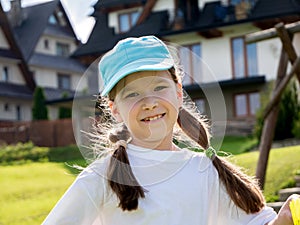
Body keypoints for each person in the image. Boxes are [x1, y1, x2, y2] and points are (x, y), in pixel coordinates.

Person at [42, 35, 298, 225]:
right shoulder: (101, 178)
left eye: (159, 87)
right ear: (114, 109)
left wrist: (286, 217)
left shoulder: (205, 170)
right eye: (132, 94)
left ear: (178, 93)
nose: (150, 102)